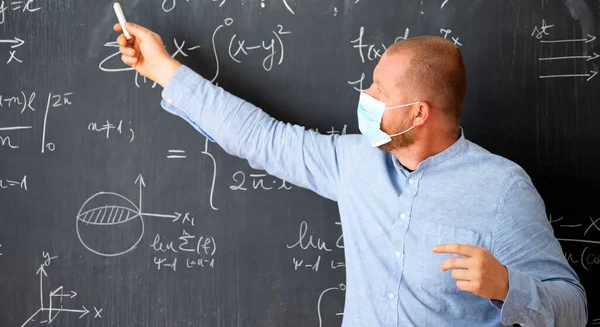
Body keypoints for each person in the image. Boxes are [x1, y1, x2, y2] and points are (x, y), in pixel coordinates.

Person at [114, 21, 587, 326]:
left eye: (378, 90)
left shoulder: (502, 190)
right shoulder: (358, 161)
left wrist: (508, 287)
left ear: (418, 113)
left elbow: (574, 309)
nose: (365, 94)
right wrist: (161, 68)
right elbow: (262, 138)